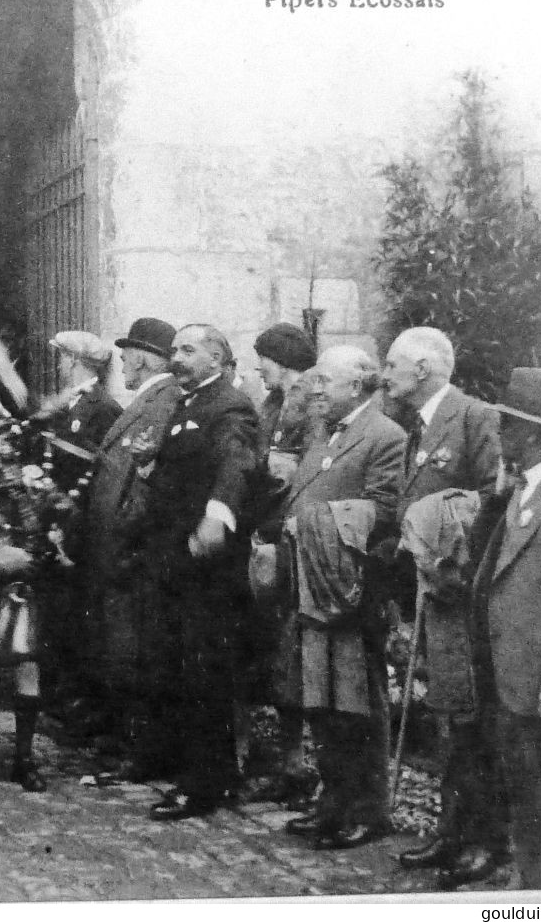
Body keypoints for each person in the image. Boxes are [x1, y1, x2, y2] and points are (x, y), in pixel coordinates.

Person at [382, 327, 506, 886]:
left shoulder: (474, 417)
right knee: (447, 717)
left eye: (392, 365)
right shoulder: (418, 426)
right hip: (434, 597)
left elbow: (494, 500)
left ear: (425, 367)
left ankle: (484, 841)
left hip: (466, 600)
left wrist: (453, 561)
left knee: (472, 721)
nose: (384, 375)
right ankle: (452, 829)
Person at [271, 347, 404, 851]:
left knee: (357, 707)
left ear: (360, 384)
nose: (317, 388)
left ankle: (368, 811)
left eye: (327, 380)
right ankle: (333, 802)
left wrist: (311, 524)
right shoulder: (326, 432)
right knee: (321, 701)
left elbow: (386, 510)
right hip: (312, 586)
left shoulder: (385, 436)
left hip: (349, 592)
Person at [129, 324, 262, 821]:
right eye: (174, 350)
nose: (176, 357)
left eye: (188, 350)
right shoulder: (187, 404)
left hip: (206, 563)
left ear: (216, 357)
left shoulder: (228, 405)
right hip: (174, 557)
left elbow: (236, 463)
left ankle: (205, 785)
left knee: (204, 669)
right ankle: (186, 766)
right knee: (177, 663)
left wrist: (216, 516)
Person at [471, 368, 541, 890]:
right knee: (524, 784)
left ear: (536, 434)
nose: (499, 434)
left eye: (508, 426)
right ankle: (532, 876)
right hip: (512, 669)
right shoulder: (525, 484)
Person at [83, 317, 183, 782]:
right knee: (122, 648)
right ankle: (130, 743)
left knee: (136, 650)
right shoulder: (150, 400)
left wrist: (124, 540)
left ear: (143, 358)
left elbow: (144, 482)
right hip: (117, 549)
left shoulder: (162, 403)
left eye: (126, 356)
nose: (122, 363)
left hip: (130, 552)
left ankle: (141, 750)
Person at [240, 321, 319, 807]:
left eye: (265, 358)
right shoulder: (269, 404)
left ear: (284, 360)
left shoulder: (312, 407)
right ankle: (259, 757)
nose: (259, 367)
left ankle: (295, 759)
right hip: (261, 539)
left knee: (288, 654)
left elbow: (305, 473)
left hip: (290, 545)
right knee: (257, 649)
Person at [31, 331, 123, 743]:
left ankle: (79, 704)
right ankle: (60, 698)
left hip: (78, 525)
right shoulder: (71, 402)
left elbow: (95, 470)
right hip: (58, 517)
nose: (58, 365)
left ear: (77, 362)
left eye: (63, 358)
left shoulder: (101, 407)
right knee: (58, 611)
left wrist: (68, 512)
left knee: (77, 616)